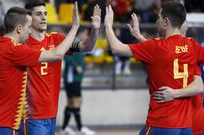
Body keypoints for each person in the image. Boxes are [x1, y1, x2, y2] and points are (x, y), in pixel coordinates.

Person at [0, 5, 80, 135]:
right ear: (19, 28)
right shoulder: (15, 50)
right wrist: (75, 27)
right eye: (28, 27)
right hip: (0, 122)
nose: (29, 31)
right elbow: (57, 54)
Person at [105, 2, 204, 135]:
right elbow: (167, 54)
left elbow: (116, 48)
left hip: (162, 122)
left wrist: (107, 25)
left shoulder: (157, 46)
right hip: (186, 127)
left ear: (166, 22)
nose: (156, 21)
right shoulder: (191, 45)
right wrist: (140, 37)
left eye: (159, 18)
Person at [22, 0, 101, 135]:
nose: (44, 17)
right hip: (31, 116)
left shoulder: (56, 39)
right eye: (39, 14)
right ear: (29, 19)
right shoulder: (22, 45)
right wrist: (75, 27)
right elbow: (58, 54)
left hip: (51, 114)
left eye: (45, 13)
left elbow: (87, 47)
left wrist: (95, 30)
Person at [61, 29, 94, 135]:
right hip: (71, 79)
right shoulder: (72, 43)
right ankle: (80, 128)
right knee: (76, 102)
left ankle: (64, 128)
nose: (86, 35)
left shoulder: (81, 45)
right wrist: (76, 67)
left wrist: (85, 66)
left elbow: (79, 61)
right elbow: (66, 57)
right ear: (79, 33)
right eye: (85, 33)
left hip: (77, 79)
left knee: (73, 103)